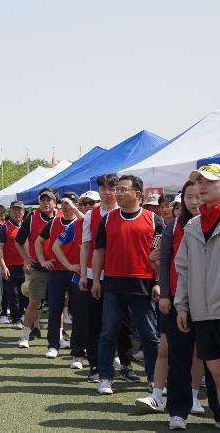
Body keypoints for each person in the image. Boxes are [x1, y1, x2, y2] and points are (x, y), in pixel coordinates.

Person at [137, 180, 210, 425]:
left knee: (207, 357)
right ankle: (178, 412)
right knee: (178, 356)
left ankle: (200, 400)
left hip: (210, 303)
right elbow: (165, 263)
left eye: (198, 196)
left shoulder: (212, 224)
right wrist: (166, 294)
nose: (194, 201)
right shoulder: (174, 227)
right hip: (179, 301)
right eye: (189, 197)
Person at [92, 174, 163, 395]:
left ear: (138, 195)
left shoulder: (154, 220)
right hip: (113, 284)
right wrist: (96, 280)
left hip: (144, 284)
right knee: (108, 333)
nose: (118, 193)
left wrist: (158, 282)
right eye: (117, 189)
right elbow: (99, 251)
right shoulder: (108, 219)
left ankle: (154, 378)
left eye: (123, 190)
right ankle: (105, 377)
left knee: (149, 335)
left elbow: (160, 254)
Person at [78, 174, 136, 383]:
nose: (109, 192)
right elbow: (86, 246)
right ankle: (94, 365)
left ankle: (126, 365)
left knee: (123, 323)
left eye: (113, 188)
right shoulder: (90, 216)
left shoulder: (127, 213)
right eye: (104, 188)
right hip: (96, 276)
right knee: (94, 323)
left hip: (121, 276)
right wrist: (84, 274)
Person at [175, 164, 220, 430]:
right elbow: (183, 269)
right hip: (202, 312)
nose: (202, 186)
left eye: (210, 181)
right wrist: (182, 306)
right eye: (199, 181)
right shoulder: (192, 225)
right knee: (215, 373)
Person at [51, 191, 98, 370]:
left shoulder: (107, 223)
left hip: (106, 278)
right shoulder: (75, 225)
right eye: (83, 203)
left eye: (90, 203)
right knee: (80, 318)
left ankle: (112, 355)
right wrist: (69, 265)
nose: (87, 206)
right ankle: (78, 354)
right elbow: (56, 246)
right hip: (81, 279)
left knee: (107, 320)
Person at [37, 192, 83, 359]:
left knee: (78, 311)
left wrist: (74, 208)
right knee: (55, 309)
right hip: (57, 272)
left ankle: (78, 349)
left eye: (70, 203)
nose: (66, 206)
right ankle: (53, 345)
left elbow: (87, 221)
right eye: (63, 202)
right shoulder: (53, 223)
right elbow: (38, 242)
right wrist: (42, 260)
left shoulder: (81, 222)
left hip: (77, 272)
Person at [15, 188, 59, 348]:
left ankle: (59, 337)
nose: (46, 203)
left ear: (55, 203)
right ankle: (25, 336)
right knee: (34, 302)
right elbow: (18, 240)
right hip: (38, 268)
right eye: (42, 200)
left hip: (59, 268)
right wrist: (26, 258)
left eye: (49, 200)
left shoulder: (62, 217)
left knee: (58, 304)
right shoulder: (32, 219)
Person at [0, 201, 27, 330]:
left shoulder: (26, 226)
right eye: (14, 210)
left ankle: (25, 316)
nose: (17, 212)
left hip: (25, 267)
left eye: (19, 210)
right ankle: (17, 319)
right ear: (10, 211)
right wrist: (3, 266)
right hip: (10, 267)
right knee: (13, 295)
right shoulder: (4, 228)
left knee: (25, 293)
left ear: (23, 212)